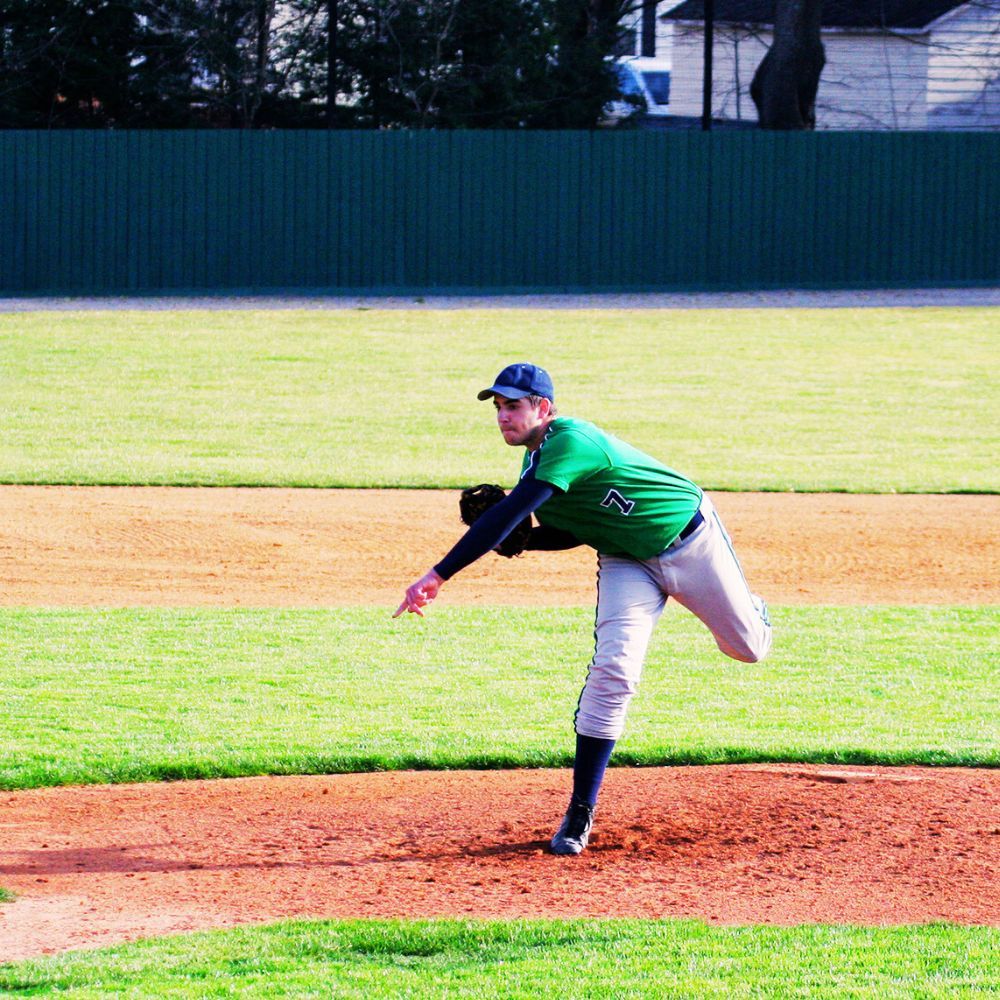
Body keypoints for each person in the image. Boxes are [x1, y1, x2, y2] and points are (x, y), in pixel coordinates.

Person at [395, 363, 772, 856]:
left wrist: (439, 573)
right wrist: (523, 544)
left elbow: (511, 512)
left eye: (514, 405)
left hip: (689, 538)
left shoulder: (571, 442)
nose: (504, 416)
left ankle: (751, 609)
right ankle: (580, 812)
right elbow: (571, 529)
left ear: (543, 408)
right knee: (613, 671)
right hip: (624, 559)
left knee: (747, 649)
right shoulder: (536, 471)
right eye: (499, 407)